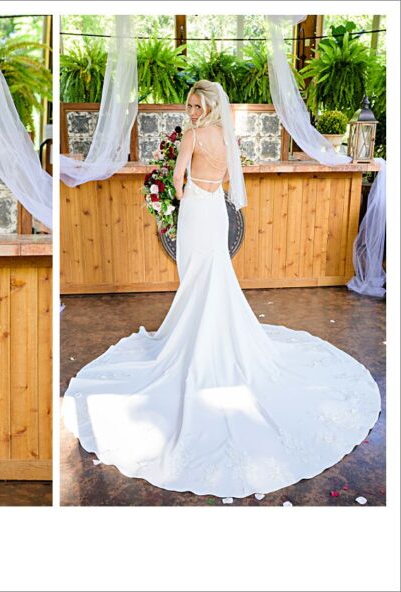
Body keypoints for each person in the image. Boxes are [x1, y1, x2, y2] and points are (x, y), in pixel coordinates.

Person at [62, 81, 381, 498]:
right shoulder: (226, 137)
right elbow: (231, 178)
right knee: (212, 274)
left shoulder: (193, 136)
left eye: (196, 105)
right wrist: (204, 189)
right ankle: (212, 332)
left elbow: (176, 179)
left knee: (195, 274)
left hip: (196, 209)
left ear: (209, 106)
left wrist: (180, 197)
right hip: (216, 210)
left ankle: (195, 336)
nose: (191, 111)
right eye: (189, 105)